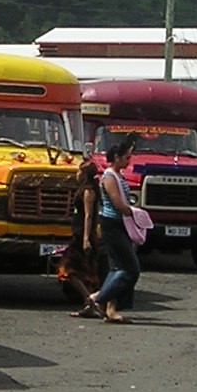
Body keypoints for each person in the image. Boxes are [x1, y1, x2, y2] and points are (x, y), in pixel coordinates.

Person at [82, 136, 140, 324]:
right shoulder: (109, 177)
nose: (128, 161)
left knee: (116, 268)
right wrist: (137, 214)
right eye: (126, 157)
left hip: (121, 223)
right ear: (116, 157)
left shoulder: (119, 176)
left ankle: (111, 309)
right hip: (112, 223)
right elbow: (117, 203)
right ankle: (98, 297)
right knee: (130, 269)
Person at [59, 155, 108, 311]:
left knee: (68, 269)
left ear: (85, 174)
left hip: (83, 236)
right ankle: (91, 303)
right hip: (79, 234)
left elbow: (88, 216)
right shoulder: (83, 189)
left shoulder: (88, 191)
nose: (77, 174)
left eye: (79, 172)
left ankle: (89, 299)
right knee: (85, 271)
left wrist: (86, 239)